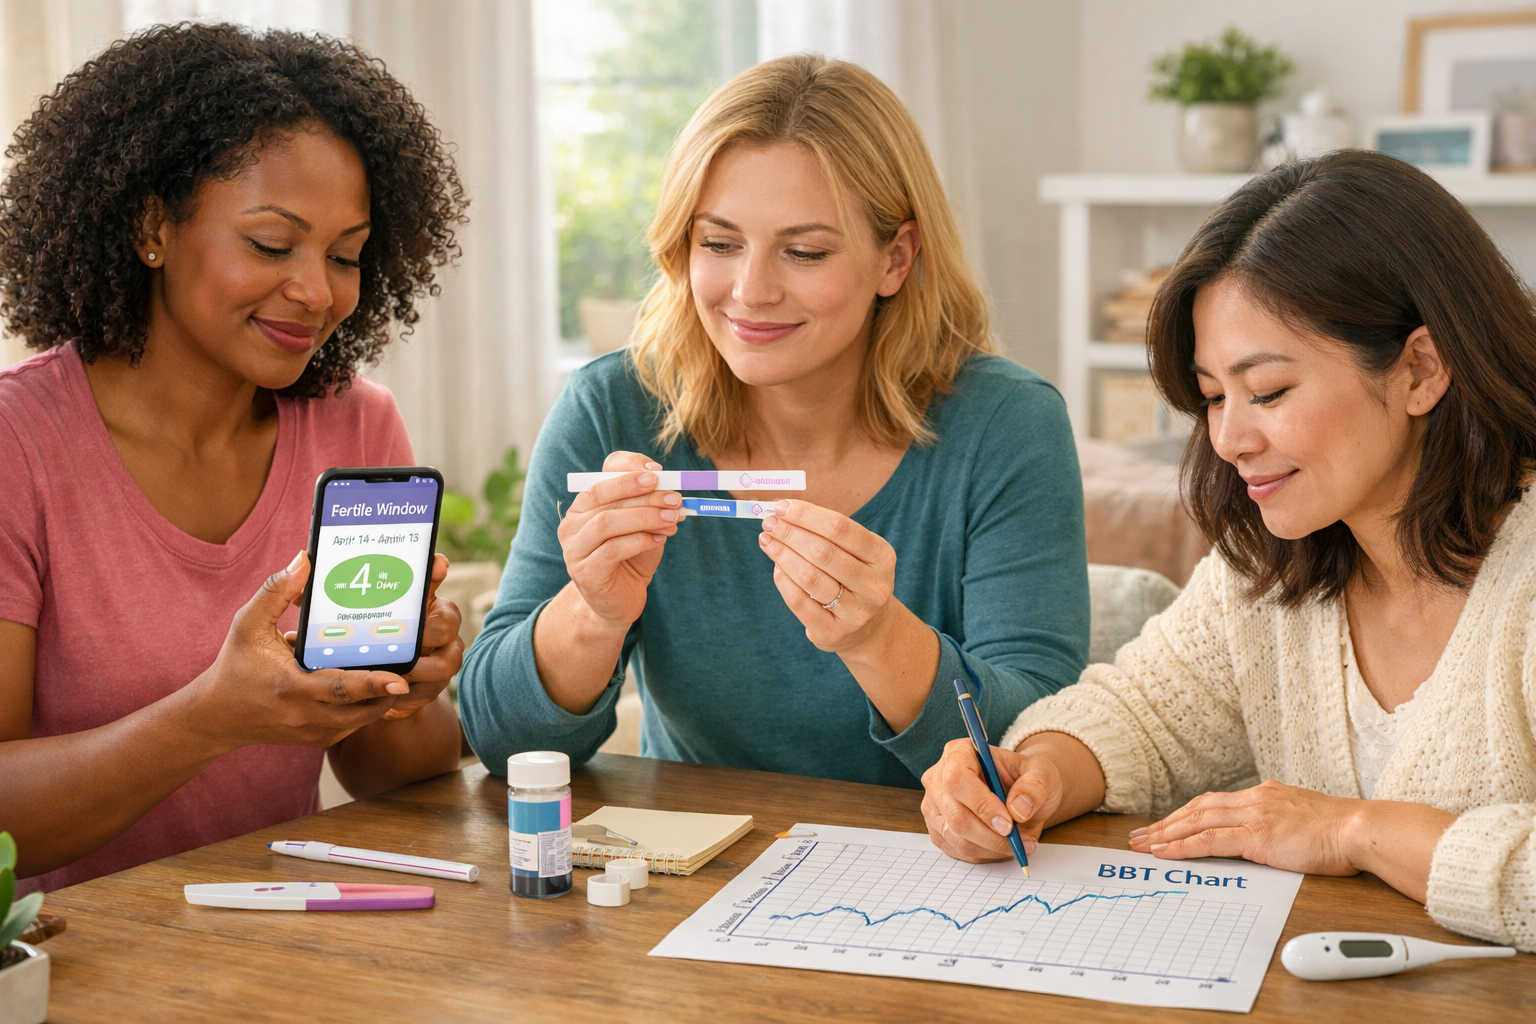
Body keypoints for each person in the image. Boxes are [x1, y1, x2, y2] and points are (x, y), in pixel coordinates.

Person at [920, 150, 1536, 951]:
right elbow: (1139, 715)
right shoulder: (1270, 571)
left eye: (1270, 391)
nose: (1231, 439)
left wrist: (1353, 831)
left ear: (1421, 368)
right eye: (1213, 396)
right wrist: (1030, 775)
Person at [459, 54, 1088, 788]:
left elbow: (1043, 744)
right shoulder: (612, 410)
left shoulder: (1007, 426)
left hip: (935, 873)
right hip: (688, 876)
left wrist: (879, 638)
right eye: (719, 244)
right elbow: (499, 743)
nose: (750, 291)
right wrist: (593, 615)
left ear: (896, 258)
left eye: (805, 251)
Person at [0, 23, 470, 890]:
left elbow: (389, 771)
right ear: (153, 226)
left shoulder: (355, 428)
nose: (316, 291)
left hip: (277, 948)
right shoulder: (17, 446)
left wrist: (407, 686)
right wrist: (213, 718)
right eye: (270, 243)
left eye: (345, 256)